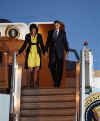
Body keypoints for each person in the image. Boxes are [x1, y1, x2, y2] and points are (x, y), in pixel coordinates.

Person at [17, 24, 45, 88]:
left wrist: (44, 51)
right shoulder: (27, 36)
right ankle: (29, 84)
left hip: (37, 53)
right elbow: (24, 45)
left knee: (36, 68)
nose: (33, 30)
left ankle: (34, 84)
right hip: (30, 53)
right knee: (30, 69)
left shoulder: (39, 35)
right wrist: (19, 52)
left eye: (34, 29)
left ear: (36, 29)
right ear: (30, 29)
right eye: (32, 29)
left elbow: (42, 44)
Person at [45, 20, 69, 88]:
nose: (56, 26)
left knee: (60, 68)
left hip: (60, 53)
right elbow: (47, 42)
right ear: (54, 25)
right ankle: (55, 80)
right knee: (51, 66)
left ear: (59, 25)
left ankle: (57, 83)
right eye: (55, 25)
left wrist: (67, 51)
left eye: (57, 25)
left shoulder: (63, 33)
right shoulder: (50, 32)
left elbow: (65, 42)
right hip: (52, 52)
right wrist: (46, 50)